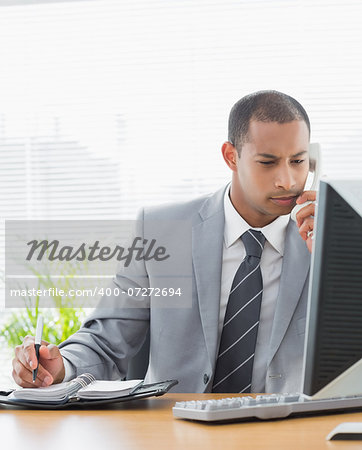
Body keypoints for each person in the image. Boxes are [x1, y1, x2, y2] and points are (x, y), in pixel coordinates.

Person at [12, 90, 317, 393]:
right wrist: (62, 365)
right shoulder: (163, 232)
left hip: (290, 428)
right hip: (175, 428)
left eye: (298, 161)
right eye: (268, 162)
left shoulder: (326, 240)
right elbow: (108, 339)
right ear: (231, 156)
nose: (288, 180)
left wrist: (334, 260)